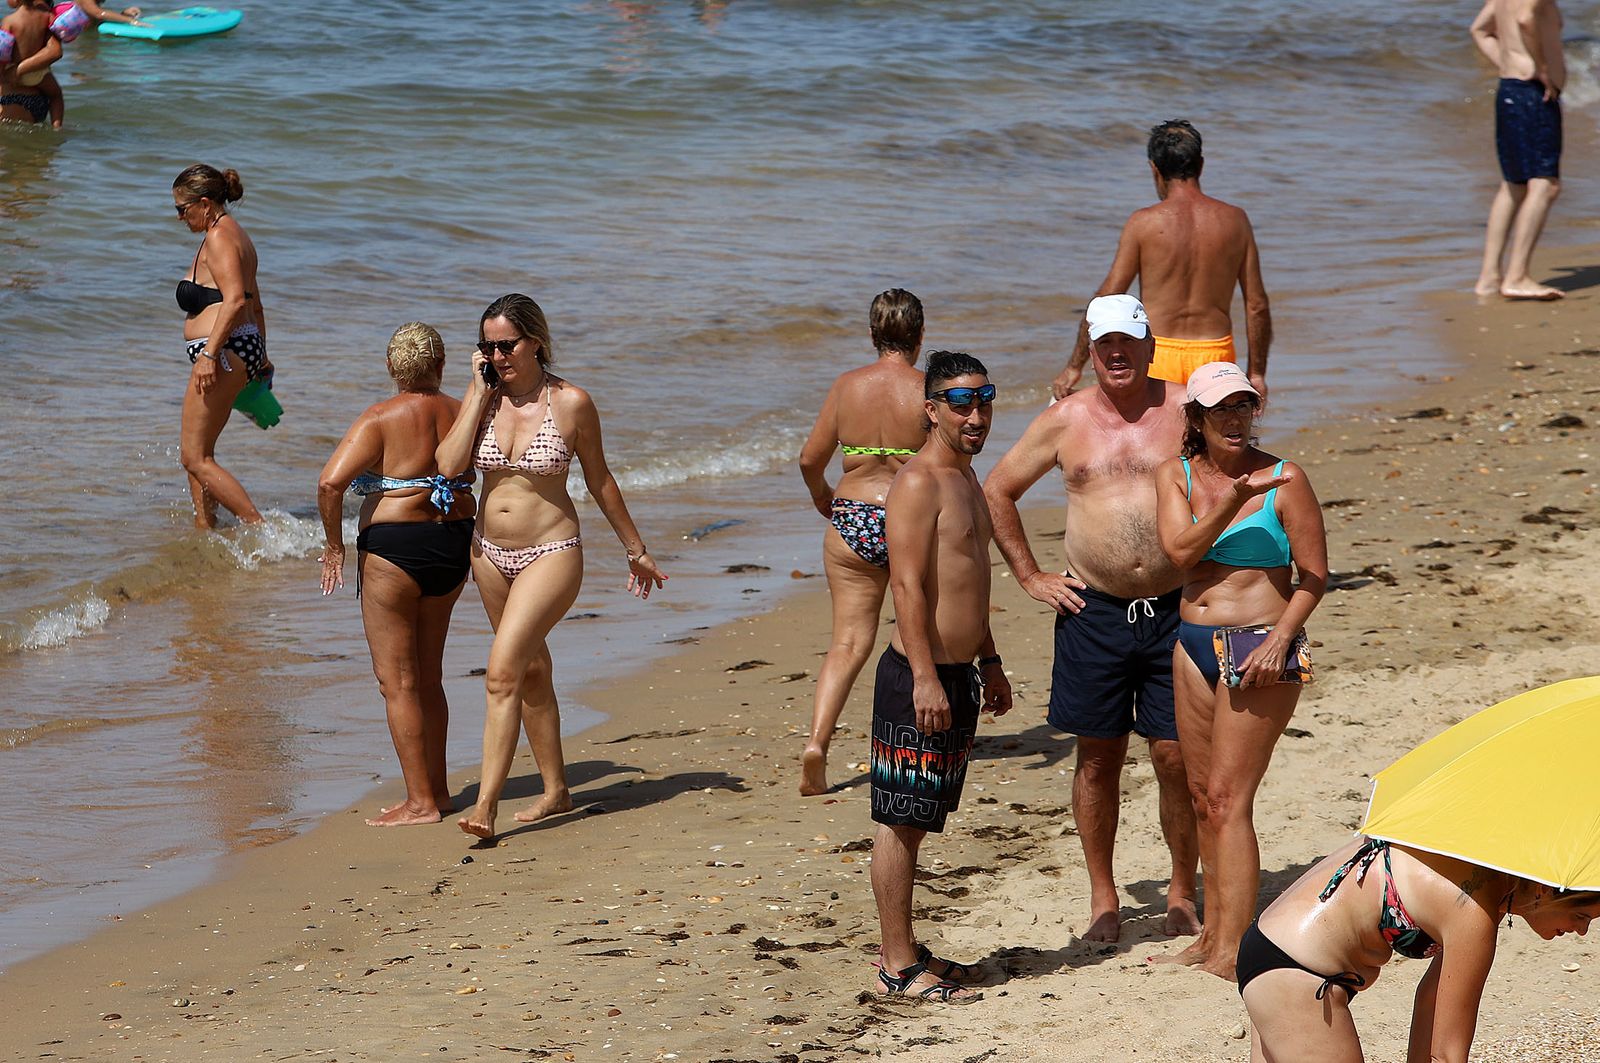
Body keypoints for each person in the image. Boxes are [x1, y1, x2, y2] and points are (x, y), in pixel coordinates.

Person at [988, 293, 1199, 944]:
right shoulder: (1066, 418)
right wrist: (1029, 574)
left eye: (1126, 341)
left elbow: (1239, 479)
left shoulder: (1188, 408)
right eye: (1102, 341)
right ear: (1090, 346)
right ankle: (1104, 896)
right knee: (1097, 758)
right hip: (1093, 611)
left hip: (1174, 608)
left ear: (1149, 344)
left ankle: (1184, 889)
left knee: (1172, 756)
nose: (1115, 352)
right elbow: (997, 489)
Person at [437, 294, 667, 841]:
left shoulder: (571, 403)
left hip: (552, 553)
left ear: (536, 341)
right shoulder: (484, 402)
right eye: (487, 346)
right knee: (531, 670)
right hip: (487, 553)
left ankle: (486, 806)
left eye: (506, 345)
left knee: (501, 672)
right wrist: (474, 391)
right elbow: (447, 467)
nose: (496, 356)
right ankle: (556, 789)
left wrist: (635, 548)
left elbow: (600, 480)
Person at [1152, 360, 1327, 980]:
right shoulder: (1173, 476)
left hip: (1260, 644)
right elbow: (1178, 554)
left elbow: (1314, 574)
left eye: (1244, 406)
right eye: (1221, 408)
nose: (1235, 418)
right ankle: (1211, 939)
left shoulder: (1285, 477)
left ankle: (1232, 950)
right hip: (1191, 643)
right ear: (1196, 417)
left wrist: (1282, 639)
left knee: (1231, 799)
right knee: (1202, 799)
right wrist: (1229, 498)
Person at [871, 350, 1011, 1003]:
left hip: (959, 676)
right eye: (961, 400)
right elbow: (907, 584)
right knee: (899, 820)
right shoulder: (920, 483)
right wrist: (925, 676)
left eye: (984, 397)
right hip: (917, 678)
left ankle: (910, 949)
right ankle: (896, 964)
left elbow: (970, 580)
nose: (976, 412)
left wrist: (989, 660)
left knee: (921, 817)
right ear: (932, 409)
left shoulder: (967, 478)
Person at [1242, 835, 1596, 1062]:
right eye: (1580, 914)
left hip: (1271, 950)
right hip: (1298, 977)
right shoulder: (1474, 914)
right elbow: (1448, 1053)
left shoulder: (1473, 863)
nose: (1581, 931)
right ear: (1544, 890)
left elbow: (1431, 1000)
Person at [317, 323, 476, 827]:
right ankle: (441, 791)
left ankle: (419, 802)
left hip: (397, 550)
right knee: (429, 676)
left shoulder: (381, 417)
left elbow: (329, 483)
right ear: (442, 364)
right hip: (453, 544)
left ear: (391, 368)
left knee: (397, 682)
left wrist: (333, 547)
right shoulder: (461, 411)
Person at [796, 288, 929, 796]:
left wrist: (824, 497)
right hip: (906, 519)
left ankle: (817, 744)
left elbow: (810, 458)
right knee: (919, 634)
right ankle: (915, 740)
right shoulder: (926, 389)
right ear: (919, 335)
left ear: (872, 336)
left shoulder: (847, 386)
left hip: (849, 517)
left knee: (847, 643)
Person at [1053, 120, 1271, 401]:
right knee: (1210, 444)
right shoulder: (1235, 220)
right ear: (1201, 165)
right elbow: (1256, 305)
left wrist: (1074, 367)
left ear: (1154, 169)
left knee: (1160, 443)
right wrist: (1256, 375)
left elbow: (1106, 297)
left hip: (1158, 355)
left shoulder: (1143, 223)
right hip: (1215, 356)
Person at [172, 163, 271, 529]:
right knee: (201, 454)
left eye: (183, 209)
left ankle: (261, 530)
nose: (179, 218)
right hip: (238, 348)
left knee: (194, 457)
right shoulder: (235, 235)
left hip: (223, 351)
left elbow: (233, 301)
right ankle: (206, 529)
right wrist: (262, 355)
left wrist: (209, 355)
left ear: (204, 202)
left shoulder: (219, 237)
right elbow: (255, 303)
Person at [1472, 0, 1566, 301]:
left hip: (1511, 89)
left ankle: (1489, 278)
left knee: (1514, 185)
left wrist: (1508, 63)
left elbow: (1480, 30)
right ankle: (1517, 276)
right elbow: (1526, 19)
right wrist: (1540, 67)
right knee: (1545, 185)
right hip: (1531, 94)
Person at [1, 0, 66, 128]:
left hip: (11, 81)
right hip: (37, 75)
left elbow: (2, 50)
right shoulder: (46, 17)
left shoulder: (9, 20)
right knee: (56, 95)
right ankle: (57, 126)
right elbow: (55, 49)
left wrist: (4, 74)